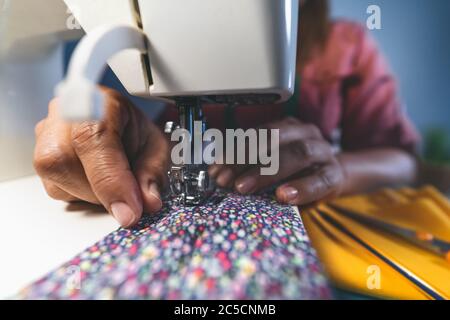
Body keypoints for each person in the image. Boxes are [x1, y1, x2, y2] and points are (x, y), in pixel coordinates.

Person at [33, 0, 449, 228]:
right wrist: (118, 141)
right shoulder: (167, 40)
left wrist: (336, 170)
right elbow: (166, 144)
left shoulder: (347, 46)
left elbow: (403, 161)